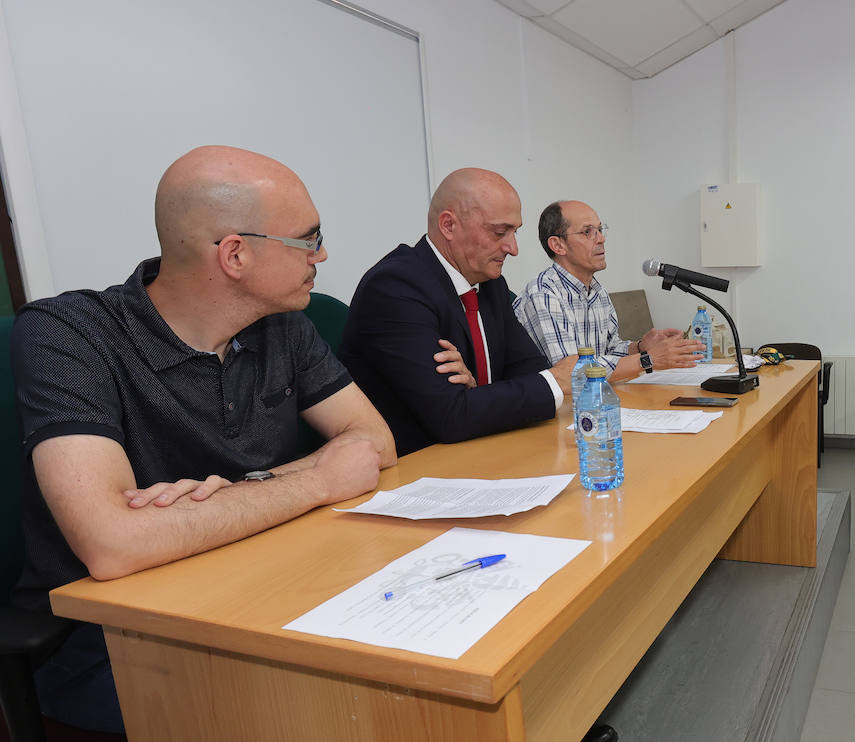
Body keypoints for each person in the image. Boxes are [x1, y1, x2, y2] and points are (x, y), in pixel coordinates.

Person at [8, 145, 398, 733]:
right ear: (235, 254)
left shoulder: (285, 324)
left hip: (268, 586)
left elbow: (373, 444)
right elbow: (114, 544)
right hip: (117, 641)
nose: (322, 255)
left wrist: (246, 491)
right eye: (307, 239)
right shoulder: (68, 336)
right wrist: (318, 480)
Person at [339, 168, 575, 456]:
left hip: (479, 454)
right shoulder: (395, 288)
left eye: (515, 232)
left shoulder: (491, 285)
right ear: (449, 226)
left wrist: (477, 395)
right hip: (413, 471)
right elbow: (451, 416)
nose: (512, 248)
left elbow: (529, 372)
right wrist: (555, 380)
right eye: (500, 232)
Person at [513, 200, 702, 380]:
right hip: (555, 410)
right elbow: (573, 372)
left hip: (592, 401)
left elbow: (610, 350)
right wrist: (649, 359)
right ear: (558, 245)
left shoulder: (597, 291)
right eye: (588, 232)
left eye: (600, 230)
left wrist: (641, 347)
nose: (601, 239)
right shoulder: (543, 293)